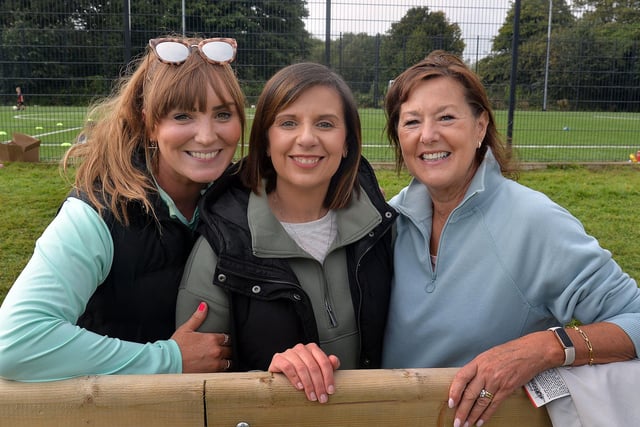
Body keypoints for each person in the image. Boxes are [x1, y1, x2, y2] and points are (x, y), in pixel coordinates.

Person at [381, 50, 640, 427]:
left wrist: (548, 347)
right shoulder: (387, 223)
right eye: (411, 122)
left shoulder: (536, 222)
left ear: (480, 126)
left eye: (447, 117)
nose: (428, 135)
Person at [0, 35, 246, 381]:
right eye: (182, 115)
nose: (207, 136)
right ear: (149, 122)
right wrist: (168, 360)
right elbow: (16, 342)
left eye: (222, 114)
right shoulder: (96, 214)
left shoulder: (242, 198)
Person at [176, 62, 396, 403]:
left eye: (325, 124)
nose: (306, 138)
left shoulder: (384, 229)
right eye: (288, 123)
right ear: (265, 140)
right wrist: (267, 378)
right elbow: (197, 389)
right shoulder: (221, 248)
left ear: (348, 142)